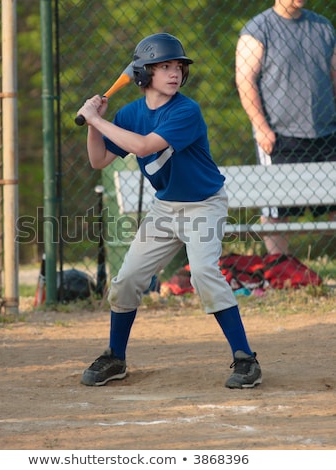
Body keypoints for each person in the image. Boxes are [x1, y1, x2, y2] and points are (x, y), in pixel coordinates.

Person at [76, 33, 262, 389]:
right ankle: (115, 357)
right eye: (164, 67)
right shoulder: (129, 114)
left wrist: (97, 121)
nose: (174, 73)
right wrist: (96, 122)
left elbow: (146, 145)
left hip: (204, 206)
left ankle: (245, 359)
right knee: (127, 278)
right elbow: (98, 160)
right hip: (165, 208)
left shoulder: (186, 111)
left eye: (178, 66)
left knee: (205, 273)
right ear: (144, 74)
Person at [236, 0, 336, 254]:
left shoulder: (323, 27)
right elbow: (245, 81)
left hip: (326, 133)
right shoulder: (258, 29)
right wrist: (261, 127)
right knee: (276, 211)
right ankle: (281, 269)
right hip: (279, 136)